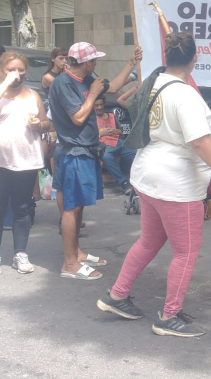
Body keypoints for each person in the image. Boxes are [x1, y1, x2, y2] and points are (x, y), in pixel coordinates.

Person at [96, 32, 211, 337]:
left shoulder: (153, 82)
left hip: (148, 174)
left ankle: (117, 294)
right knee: (186, 252)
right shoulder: (185, 94)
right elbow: (201, 142)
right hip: (176, 183)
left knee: (149, 241)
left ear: (166, 57)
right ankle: (169, 316)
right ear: (195, 58)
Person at [49, 41, 141, 280]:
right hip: (73, 152)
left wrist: (131, 64)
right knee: (71, 207)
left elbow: (114, 87)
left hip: (86, 150)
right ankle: (69, 264)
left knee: (78, 206)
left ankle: (76, 253)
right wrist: (92, 94)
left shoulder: (87, 80)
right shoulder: (63, 83)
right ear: (86, 62)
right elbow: (78, 117)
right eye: (94, 60)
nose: (97, 63)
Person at [0, 51, 50, 276]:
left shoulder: (32, 95)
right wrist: (5, 83)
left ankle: (20, 253)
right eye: (11, 70)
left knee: (21, 208)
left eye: (20, 70)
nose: (16, 74)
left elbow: (48, 123)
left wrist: (41, 124)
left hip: (26, 160)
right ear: (1, 70)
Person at [94, 97, 136, 195]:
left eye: (101, 104)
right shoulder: (91, 119)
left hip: (119, 142)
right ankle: (124, 183)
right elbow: (89, 136)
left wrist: (116, 131)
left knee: (137, 155)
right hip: (105, 144)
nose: (99, 107)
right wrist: (101, 133)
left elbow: (121, 132)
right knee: (107, 157)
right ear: (93, 106)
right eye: (96, 105)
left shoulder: (111, 116)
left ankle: (140, 184)